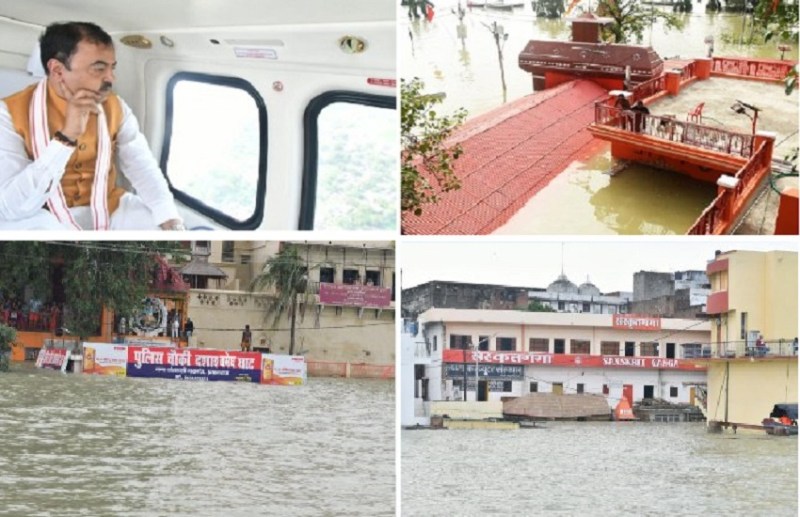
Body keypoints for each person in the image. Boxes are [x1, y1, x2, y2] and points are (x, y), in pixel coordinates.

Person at [0, 21, 185, 231]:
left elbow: (142, 166)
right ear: (58, 70)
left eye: (112, 67)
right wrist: (66, 138)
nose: (111, 78)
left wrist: (169, 218)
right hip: (41, 214)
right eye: (99, 68)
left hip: (108, 206)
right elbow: (13, 207)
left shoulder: (116, 106)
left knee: (163, 229)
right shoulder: (7, 114)